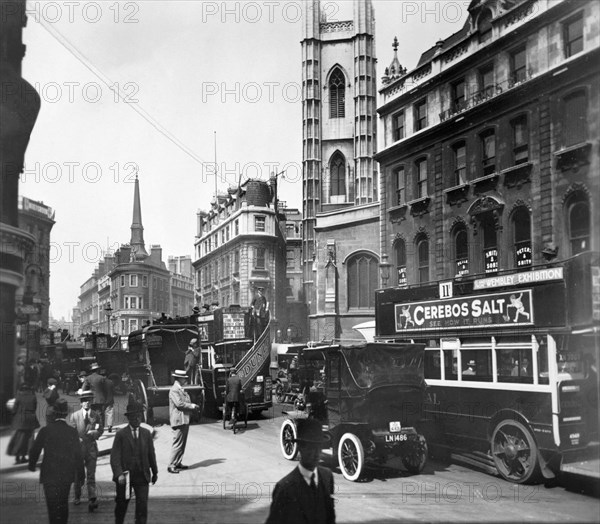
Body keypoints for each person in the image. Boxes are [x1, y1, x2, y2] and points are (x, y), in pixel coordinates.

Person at [265, 418, 335, 524]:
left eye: (318, 447)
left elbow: (329, 517)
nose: (316, 453)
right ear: (301, 447)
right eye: (311, 448)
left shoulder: (327, 477)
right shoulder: (284, 488)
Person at [28, 399, 84, 524]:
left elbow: (35, 450)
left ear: (54, 414)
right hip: (66, 475)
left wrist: (32, 465)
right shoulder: (72, 432)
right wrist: (81, 475)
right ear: (66, 414)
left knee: (52, 506)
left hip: (49, 475)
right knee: (63, 503)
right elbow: (78, 455)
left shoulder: (45, 431)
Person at [110, 400, 158, 524]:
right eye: (133, 417)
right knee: (122, 504)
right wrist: (119, 473)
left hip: (142, 476)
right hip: (126, 477)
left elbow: (151, 455)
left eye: (139, 416)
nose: (137, 419)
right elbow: (114, 457)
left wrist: (155, 472)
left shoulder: (146, 434)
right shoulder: (121, 434)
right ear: (129, 418)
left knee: (142, 507)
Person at [68, 389, 103, 511]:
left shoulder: (96, 415)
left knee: (91, 474)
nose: (87, 403)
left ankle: (92, 497)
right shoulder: (74, 416)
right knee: (78, 475)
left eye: (89, 401)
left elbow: (100, 430)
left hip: (91, 448)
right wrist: (77, 439)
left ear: (92, 402)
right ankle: (77, 496)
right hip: (78, 450)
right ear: (81, 403)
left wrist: (95, 433)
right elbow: (71, 433)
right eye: (84, 401)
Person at [168, 370, 200, 474]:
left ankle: (178, 462)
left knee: (182, 443)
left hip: (184, 419)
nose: (185, 380)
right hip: (178, 420)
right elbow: (179, 404)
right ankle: (171, 465)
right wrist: (192, 406)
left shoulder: (180, 389)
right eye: (184, 378)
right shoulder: (174, 390)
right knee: (177, 443)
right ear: (179, 379)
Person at [7, 383, 39, 465]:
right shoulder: (33, 397)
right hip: (30, 419)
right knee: (28, 439)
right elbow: (34, 408)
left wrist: (15, 415)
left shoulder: (18, 397)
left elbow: (14, 409)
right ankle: (24, 457)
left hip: (19, 419)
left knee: (18, 438)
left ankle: (17, 456)